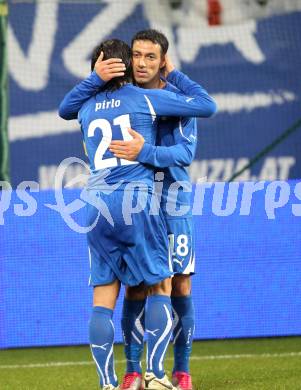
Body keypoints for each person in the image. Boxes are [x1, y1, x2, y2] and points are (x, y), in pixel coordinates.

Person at [59, 38, 216, 390]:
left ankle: (111, 383)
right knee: (159, 284)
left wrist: (93, 81)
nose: (142, 63)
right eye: (135, 56)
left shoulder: (86, 106)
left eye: (150, 57)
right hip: (140, 202)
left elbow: (63, 109)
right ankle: (153, 374)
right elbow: (207, 104)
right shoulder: (146, 98)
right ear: (126, 65)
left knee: (105, 296)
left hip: (100, 204)